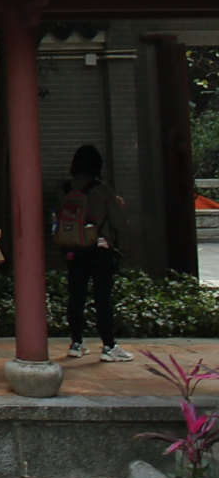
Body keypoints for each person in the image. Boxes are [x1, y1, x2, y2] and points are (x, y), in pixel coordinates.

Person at [59, 144, 133, 362]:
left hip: (73, 249)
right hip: (100, 249)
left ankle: (76, 343)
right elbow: (118, 222)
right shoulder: (101, 189)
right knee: (102, 298)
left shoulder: (64, 189)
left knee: (76, 296)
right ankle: (109, 346)